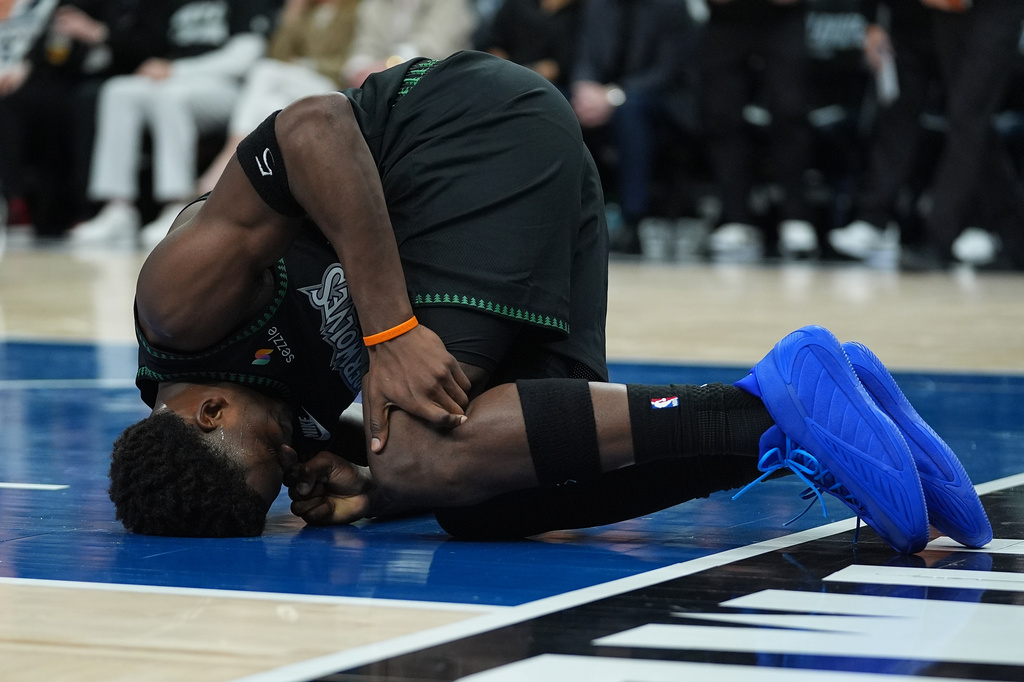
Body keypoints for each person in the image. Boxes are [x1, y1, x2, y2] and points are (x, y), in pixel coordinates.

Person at [108, 51, 991, 557]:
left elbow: (312, 127)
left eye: (268, 453)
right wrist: (379, 488)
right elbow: (434, 443)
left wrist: (390, 331)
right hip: (513, 187)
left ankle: (776, 404)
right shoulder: (247, 409)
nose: (295, 453)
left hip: (454, 132)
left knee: (415, 456)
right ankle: (791, 423)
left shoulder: (179, 310)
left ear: (211, 408)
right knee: (493, 499)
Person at [68, 0, 278, 248]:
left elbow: (244, 58)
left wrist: (176, 71)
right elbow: (156, 44)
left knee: (168, 97)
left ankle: (177, 205)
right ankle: (118, 207)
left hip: (227, 87)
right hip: (176, 81)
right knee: (118, 91)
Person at [0, 1, 167, 237]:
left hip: (121, 74)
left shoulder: (142, 6)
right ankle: (14, 200)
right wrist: (25, 66)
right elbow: (46, 42)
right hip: (65, 80)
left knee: (86, 102)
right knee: (13, 103)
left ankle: (89, 211)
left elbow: (150, 46)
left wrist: (97, 33)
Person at [899, 0, 1024, 271]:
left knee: (966, 117)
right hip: (947, 10)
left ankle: (938, 239)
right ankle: (1016, 238)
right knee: (973, 125)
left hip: (996, 9)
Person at [569, 0, 699, 255]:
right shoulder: (596, 6)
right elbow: (584, 57)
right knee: (558, 107)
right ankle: (563, 218)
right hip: (602, 97)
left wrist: (613, 96)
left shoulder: (672, 6)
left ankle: (633, 219)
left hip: (660, 101)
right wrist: (584, 88)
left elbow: (665, 71)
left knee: (630, 112)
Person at [195, 0, 361, 197]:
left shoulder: (355, 9)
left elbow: (351, 60)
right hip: (294, 84)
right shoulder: (306, 12)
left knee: (264, 72)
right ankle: (246, 189)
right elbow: (277, 54)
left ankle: (231, 155)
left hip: (333, 85)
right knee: (271, 106)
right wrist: (290, 17)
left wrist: (305, 65)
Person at [701, 0, 818, 261]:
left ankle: (795, 217)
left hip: (783, 16)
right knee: (723, 117)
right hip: (727, 16)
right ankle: (735, 218)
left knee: (790, 113)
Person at [827, 0, 939, 262]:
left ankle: (976, 223)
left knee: (968, 120)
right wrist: (872, 23)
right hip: (904, 24)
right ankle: (876, 221)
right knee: (895, 122)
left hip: (964, 22)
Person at [341, 0, 476, 88]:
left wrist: (389, 66)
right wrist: (358, 70)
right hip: (384, 87)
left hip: (442, 81)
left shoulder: (449, 3)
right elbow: (365, 45)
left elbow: (433, 46)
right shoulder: (374, 5)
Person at [477, 0, 582, 94]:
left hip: (546, 85)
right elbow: (492, 42)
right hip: (502, 72)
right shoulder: (517, 4)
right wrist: (504, 71)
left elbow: (561, 64)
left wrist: (527, 76)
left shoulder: (580, 15)